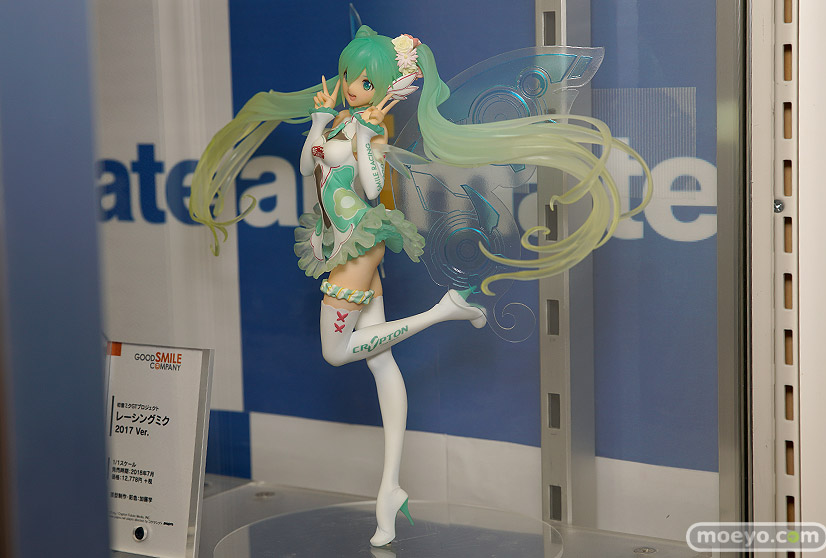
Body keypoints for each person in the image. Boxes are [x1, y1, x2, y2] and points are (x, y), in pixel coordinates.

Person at [190, 25, 651, 546]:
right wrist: (320, 121)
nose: (352, 87)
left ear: (388, 85)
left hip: (358, 244)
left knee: (336, 353)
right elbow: (306, 166)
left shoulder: (371, 130)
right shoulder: (338, 118)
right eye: (349, 77)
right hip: (335, 240)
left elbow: (371, 188)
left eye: (364, 82)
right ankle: (390, 488)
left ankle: (443, 311)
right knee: (380, 362)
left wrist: (368, 138)